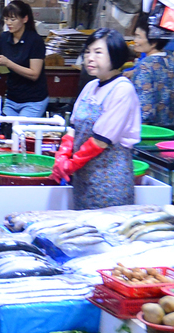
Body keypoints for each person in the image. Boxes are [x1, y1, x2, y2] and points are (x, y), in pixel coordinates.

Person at [52, 29, 142, 209]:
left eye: (98, 52)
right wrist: (62, 155)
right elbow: (74, 126)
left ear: (115, 55)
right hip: (83, 177)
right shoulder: (91, 86)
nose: (90, 58)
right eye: (87, 52)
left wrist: (70, 165)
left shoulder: (122, 89)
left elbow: (101, 141)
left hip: (109, 178)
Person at [0, 0, 48, 120]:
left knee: (20, 134)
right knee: (6, 132)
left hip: (33, 100)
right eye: (6, 19)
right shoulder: (4, 38)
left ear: (25, 19)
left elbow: (34, 74)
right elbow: (4, 69)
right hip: (12, 98)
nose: (8, 23)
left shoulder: (35, 41)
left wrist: (8, 63)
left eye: (13, 19)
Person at [129, 24, 174, 127]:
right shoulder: (169, 57)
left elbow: (145, 109)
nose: (135, 41)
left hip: (151, 129)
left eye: (139, 37)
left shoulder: (145, 65)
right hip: (169, 124)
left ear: (154, 42)